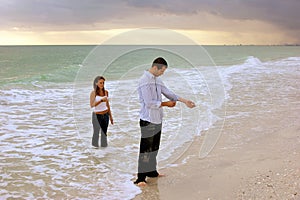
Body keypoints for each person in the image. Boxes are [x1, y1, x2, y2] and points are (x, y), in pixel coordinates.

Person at [134, 57, 196, 186]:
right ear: (156, 67)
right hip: (148, 119)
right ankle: (140, 178)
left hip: (157, 118)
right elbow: (149, 103)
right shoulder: (144, 81)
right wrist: (166, 104)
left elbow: (168, 93)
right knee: (145, 150)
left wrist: (184, 101)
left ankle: (152, 172)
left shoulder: (158, 80)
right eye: (162, 70)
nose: (163, 73)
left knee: (155, 148)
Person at [90, 76, 114, 148]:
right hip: (97, 115)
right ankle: (95, 150)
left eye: (103, 83)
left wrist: (111, 117)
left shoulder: (106, 92)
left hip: (105, 114)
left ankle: (104, 152)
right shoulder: (93, 93)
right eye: (100, 83)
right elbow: (92, 105)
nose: (102, 84)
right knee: (96, 133)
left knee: (104, 133)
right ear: (96, 83)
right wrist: (101, 101)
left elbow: (107, 105)